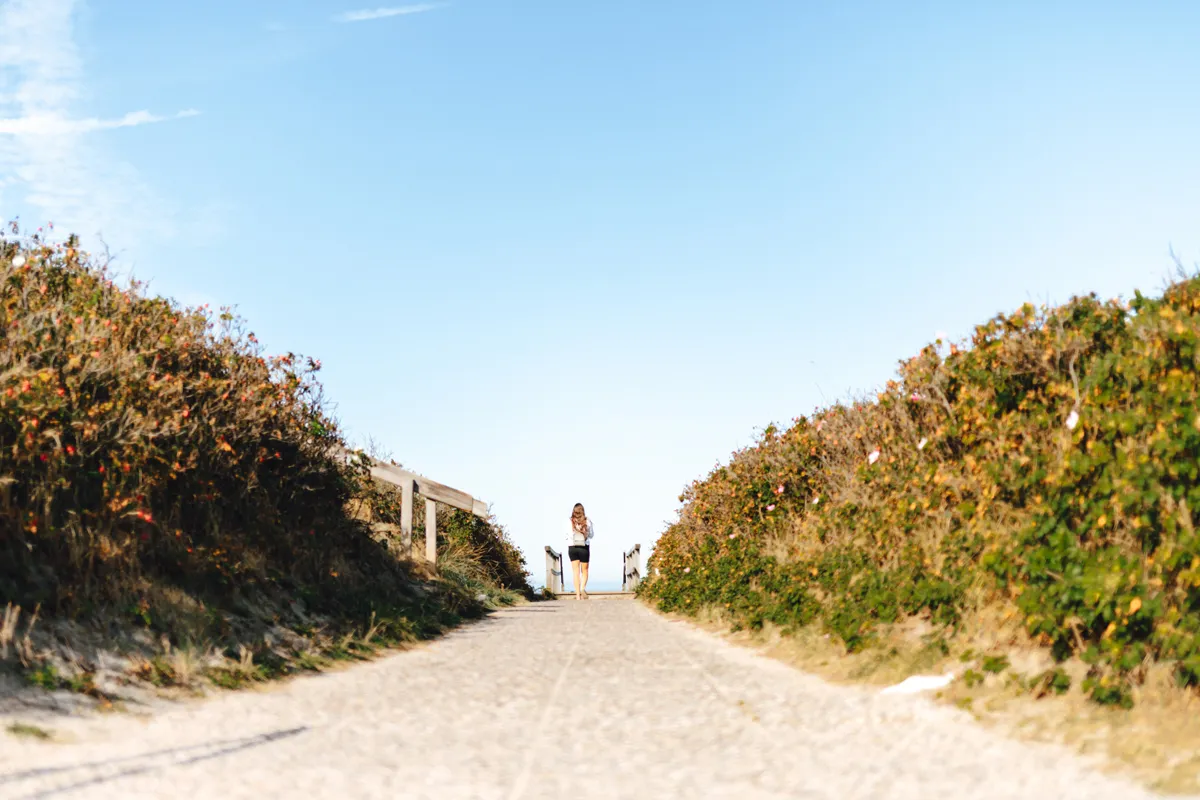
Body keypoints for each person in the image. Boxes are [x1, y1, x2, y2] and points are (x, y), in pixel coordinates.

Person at [567, 503, 594, 600]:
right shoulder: (587, 521)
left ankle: (578, 595)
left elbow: (568, 534)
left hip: (572, 547)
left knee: (575, 572)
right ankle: (582, 588)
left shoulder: (569, 521)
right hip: (584, 547)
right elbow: (591, 535)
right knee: (585, 571)